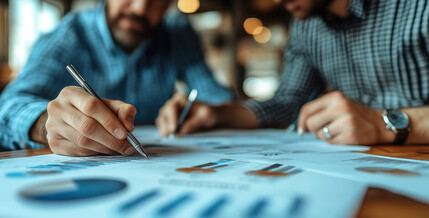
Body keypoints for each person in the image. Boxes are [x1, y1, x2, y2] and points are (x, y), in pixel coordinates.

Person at [157, 0, 429, 145]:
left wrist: (382, 124)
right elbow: (288, 104)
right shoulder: (305, 27)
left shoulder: (417, 7)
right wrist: (218, 114)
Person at [0, 0, 234, 154]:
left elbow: (219, 97)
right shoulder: (70, 33)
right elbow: (8, 105)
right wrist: (46, 124)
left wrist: (203, 111)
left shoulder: (178, 34)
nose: (140, 9)